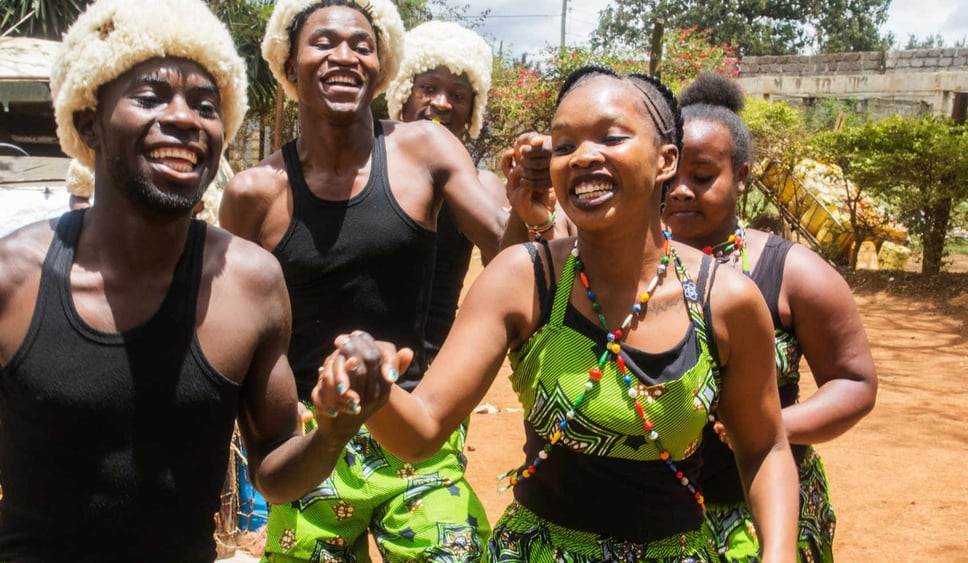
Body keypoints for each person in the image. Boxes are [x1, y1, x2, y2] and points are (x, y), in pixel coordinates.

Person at [320, 65, 801, 561]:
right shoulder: (523, 279)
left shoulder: (725, 300)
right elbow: (420, 433)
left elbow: (764, 446)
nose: (583, 156)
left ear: (665, 160)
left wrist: (779, 554)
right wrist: (373, 388)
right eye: (565, 145)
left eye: (611, 138)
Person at [0, 1, 388, 560]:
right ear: (89, 119)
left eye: (206, 104)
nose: (185, 118)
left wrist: (333, 433)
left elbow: (274, 469)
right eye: (149, 97)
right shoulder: (0, 278)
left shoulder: (250, 285)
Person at [219, 0, 505, 560]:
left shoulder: (424, 150)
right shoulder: (256, 193)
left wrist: (528, 203)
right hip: (310, 443)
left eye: (362, 45)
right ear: (288, 64)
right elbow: (235, 333)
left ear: (381, 66)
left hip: (415, 428)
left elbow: (508, 252)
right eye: (323, 43)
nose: (344, 56)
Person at [664, 72, 878, 562]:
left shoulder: (793, 273)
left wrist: (773, 425)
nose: (679, 191)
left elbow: (854, 382)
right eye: (670, 174)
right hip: (658, 522)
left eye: (701, 177)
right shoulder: (626, 269)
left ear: (740, 175)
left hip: (764, 522)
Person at [384, 20, 507, 362]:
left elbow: (514, 264)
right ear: (403, 92)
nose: (442, 103)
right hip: (350, 375)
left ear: (472, 111)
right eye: (428, 87)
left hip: (435, 384)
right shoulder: (363, 172)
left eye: (458, 95)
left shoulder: (483, 187)